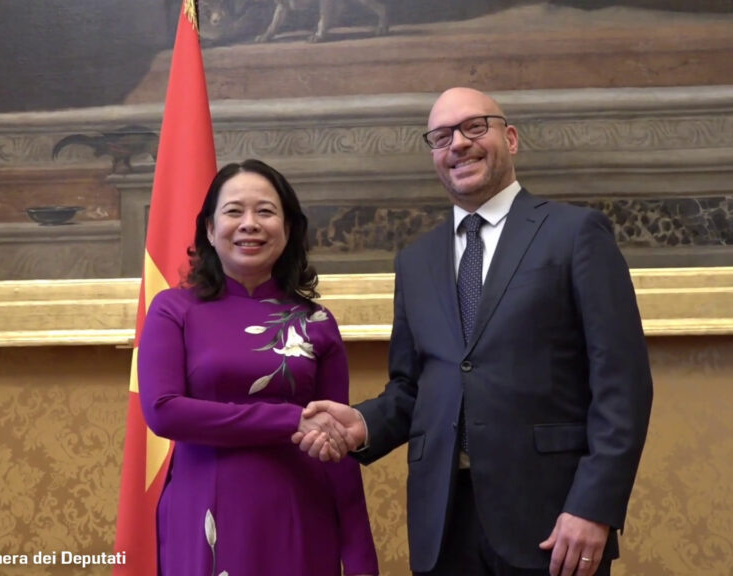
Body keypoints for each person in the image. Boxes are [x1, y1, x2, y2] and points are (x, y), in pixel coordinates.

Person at [295, 87, 654, 576]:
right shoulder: (416, 261)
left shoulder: (575, 233)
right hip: (445, 524)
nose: (458, 144)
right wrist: (363, 423)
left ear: (511, 138)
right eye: (442, 136)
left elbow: (622, 384)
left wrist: (594, 506)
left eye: (474, 127)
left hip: (553, 521)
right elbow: (412, 388)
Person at [138, 159, 378, 576]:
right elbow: (163, 411)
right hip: (203, 512)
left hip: (299, 515)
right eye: (234, 211)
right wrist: (289, 419)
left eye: (265, 211)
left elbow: (335, 446)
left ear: (288, 229)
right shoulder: (173, 309)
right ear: (210, 229)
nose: (250, 224)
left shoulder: (316, 322)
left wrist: (361, 561)